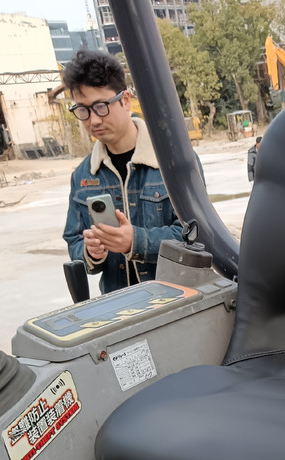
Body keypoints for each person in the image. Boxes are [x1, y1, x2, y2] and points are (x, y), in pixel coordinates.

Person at [62, 49, 204, 293]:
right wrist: (90, 252)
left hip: (175, 300)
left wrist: (136, 242)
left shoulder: (174, 162)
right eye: (83, 110)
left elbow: (198, 235)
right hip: (119, 306)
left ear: (125, 100)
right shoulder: (83, 175)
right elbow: (74, 240)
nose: (93, 120)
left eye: (100, 106)